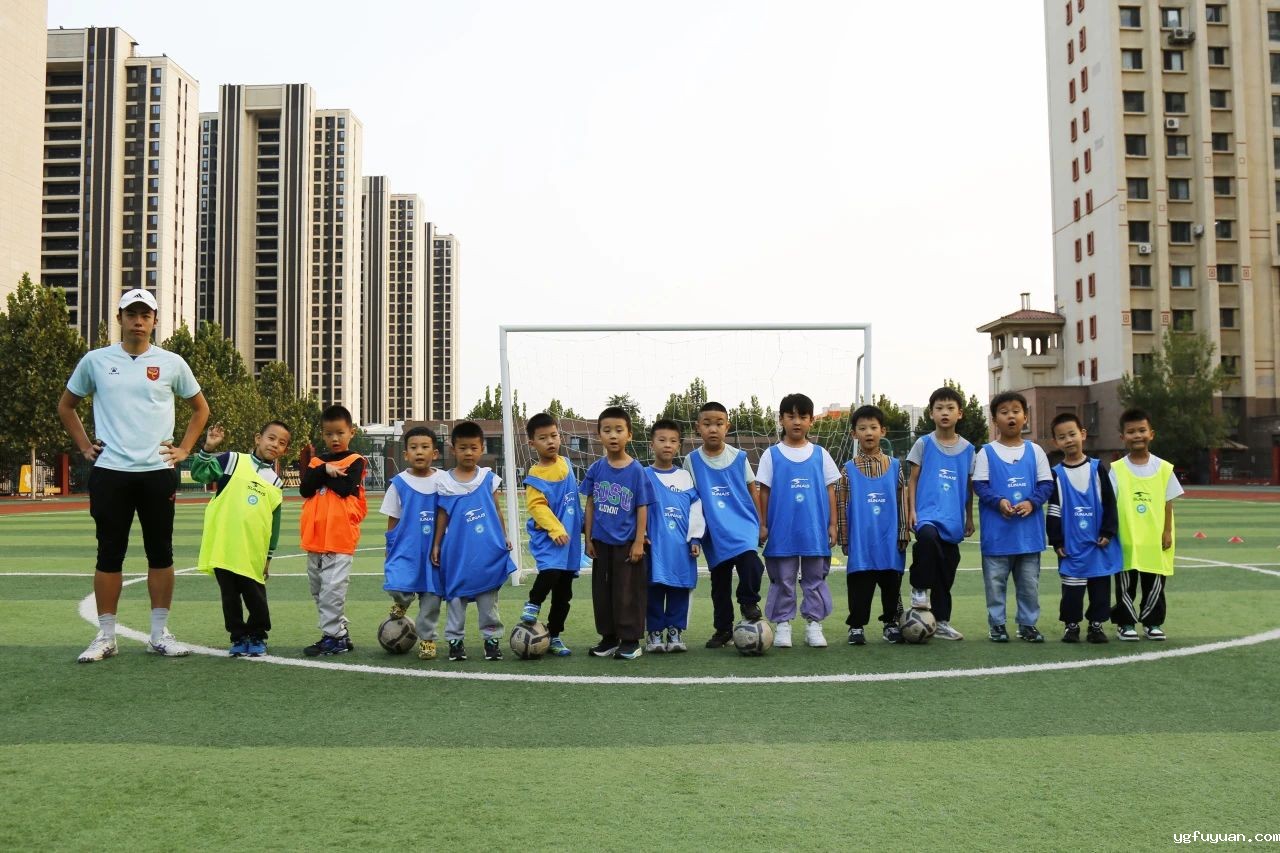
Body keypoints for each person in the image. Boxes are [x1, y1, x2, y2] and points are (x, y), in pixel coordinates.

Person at [59, 288, 210, 663]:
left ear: (155, 321)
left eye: (145, 315)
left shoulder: (172, 363)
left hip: (158, 472)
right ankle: (106, 636)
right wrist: (84, 447)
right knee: (109, 554)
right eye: (131, 314)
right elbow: (66, 406)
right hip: (110, 472)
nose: (138, 321)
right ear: (120, 319)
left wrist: (184, 449)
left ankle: (159, 634)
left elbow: (200, 408)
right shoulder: (96, 361)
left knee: (161, 553)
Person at [192, 421, 290, 656]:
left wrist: (268, 556)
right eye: (271, 438)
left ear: (284, 450)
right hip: (224, 546)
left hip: (252, 550)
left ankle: (257, 635)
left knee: (255, 596)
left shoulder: (275, 481)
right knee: (230, 596)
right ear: (258, 438)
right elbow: (199, 474)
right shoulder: (232, 460)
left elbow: (273, 523)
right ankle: (237, 636)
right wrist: (208, 448)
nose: (275, 445)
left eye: (282, 443)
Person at [755, 393, 839, 648]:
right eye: (791, 416)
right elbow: (764, 491)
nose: (797, 422)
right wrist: (763, 524)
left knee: (815, 578)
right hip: (782, 530)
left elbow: (831, 491)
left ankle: (814, 624)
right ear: (781, 420)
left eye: (803, 416)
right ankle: (783, 624)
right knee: (783, 579)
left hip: (814, 530)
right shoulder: (771, 455)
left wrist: (833, 524)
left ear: (811, 421)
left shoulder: (821, 454)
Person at [972, 391, 1054, 643]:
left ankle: (1027, 624)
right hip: (997, 536)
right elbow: (979, 485)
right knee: (995, 584)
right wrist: (998, 502)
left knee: (1029, 584)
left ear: (1025, 417)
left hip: (1028, 536)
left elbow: (1046, 484)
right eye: (1004, 412)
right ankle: (997, 625)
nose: (1011, 416)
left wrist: (1032, 502)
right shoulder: (986, 452)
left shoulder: (1036, 451)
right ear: (994, 419)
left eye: (1016, 411)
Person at [431, 421, 517, 661]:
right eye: (463, 448)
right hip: (457, 553)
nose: (468, 452)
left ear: (481, 449)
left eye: (473, 447)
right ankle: (455, 641)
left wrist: (504, 536)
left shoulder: (488, 479)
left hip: (486, 551)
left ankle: (491, 639)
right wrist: (436, 544)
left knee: (488, 598)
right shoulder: (445, 482)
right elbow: (442, 516)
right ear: (453, 449)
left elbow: (497, 511)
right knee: (455, 598)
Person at [684, 401, 764, 648]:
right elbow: (691, 498)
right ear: (698, 427)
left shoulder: (739, 457)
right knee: (719, 584)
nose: (713, 429)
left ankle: (748, 601)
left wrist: (760, 523)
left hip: (742, 524)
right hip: (714, 531)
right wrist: (695, 534)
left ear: (727, 427)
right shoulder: (691, 460)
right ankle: (723, 630)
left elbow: (753, 490)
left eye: (719, 424)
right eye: (707, 424)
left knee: (751, 563)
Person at [581, 406, 654, 660]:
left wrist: (638, 542)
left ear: (629, 435)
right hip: (601, 543)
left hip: (626, 544)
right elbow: (590, 504)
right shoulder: (596, 469)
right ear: (599, 435)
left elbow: (642, 507)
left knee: (627, 593)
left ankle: (630, 640)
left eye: (619, 430)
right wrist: (588, 538)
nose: (613, 435)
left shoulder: (637, 471)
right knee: (602, 593)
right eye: (607, 430)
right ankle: (609, 638)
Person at [905, 386, 975, 641]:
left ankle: (942, 621)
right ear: (931, 413)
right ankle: (919, 588)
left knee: (946, 570)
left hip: (953, 519)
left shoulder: (968, 449)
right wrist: (912, 510)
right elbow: (912, 480)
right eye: (939, 408)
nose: (945, 413)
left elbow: (968, 486)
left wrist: (969, 516)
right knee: (926, 538)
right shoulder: (923, 444)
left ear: (960, 414)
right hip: (926, 514)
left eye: (950, 408)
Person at [836, 404, 909, 645]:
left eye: (873, 427)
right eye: (862, 428)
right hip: (861, 542)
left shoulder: (895, 466)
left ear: (883, 431)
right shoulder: (848, 470)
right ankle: (856, 627)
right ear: (854, 434)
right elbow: (841, 504)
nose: (868, 432)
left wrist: (903, 531)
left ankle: (891, 623)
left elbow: (901, 501)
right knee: (860, 586)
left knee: (891, 584)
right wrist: (844, 538)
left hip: (890, 541)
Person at [1045, 412, 1121, 644]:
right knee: (1072, 591)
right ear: (1055, 442)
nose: (1068, 440)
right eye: (1062, 437)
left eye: (1072, 434)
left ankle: (1096, 626)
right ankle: (1072, 626)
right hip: (1072, 546)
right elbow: (1054, 510)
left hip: (1098, 544)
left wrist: (1108, 531)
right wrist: (1057, 541)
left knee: (1100, 591)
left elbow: (1109, 502)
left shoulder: (1097, 468)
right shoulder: (1056, 474)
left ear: (1083, 434)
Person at [298, 405, 367, 656]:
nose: (335, 438)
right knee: (318, 590)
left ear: (351, 432)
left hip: (339, 539)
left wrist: (321, 474)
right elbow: (305, 489)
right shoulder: (318, 462)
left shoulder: (355, 460)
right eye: (329, 434)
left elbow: (345, 487)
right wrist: (323, 470)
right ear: (322, 434)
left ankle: (333, 637)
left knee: (332, 591)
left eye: (340, 433)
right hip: (315, 539)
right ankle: (339, 633)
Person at [1109, 408, 1183, 641]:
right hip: (1127, 538)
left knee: (1155, 584)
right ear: (1122, 437)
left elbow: (1168, 503)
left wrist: (1167, 531)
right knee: (1125, 585)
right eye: (1131, 431)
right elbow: (1110, 503)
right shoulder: (1117, 469)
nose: (1137, 435)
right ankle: (1125, 623)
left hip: (1155, 539)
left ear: (1151, 434)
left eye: (1142, 430)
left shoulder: (1164, 468)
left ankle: (1153, 623)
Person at [381, 426, 445, 660]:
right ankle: (402, 602)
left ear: (434, 453)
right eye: (414, 447)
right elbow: (393, 518)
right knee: (398, 585)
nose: (419, 452)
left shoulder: (444, 481)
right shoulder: (398, 483)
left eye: (425, 447)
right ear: (406, 454)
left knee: (431, 598)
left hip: (435, 551)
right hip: (407, 550)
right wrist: (390, 547)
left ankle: (427, 639)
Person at [519, 412, 580, 657]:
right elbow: (537, 507)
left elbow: (573, 500)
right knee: (550, 572)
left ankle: (554, 635)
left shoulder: (566, 464)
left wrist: (583, 525)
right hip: (549, 538)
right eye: (543, 438)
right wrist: (555, 529)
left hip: (569, 541)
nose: (550, 441)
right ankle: (533, 602)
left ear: (560, 437)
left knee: (564, 593)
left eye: (553, 436)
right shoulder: (535, 475)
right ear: (532, 443)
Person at [644, 419, 704, 653]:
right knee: (654, 589)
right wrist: (641, 535)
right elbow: (638, 509)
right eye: (662, 440)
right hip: (654, 546)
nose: (667, 445)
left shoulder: (685, 477)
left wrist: (695, 538)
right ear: (652, 444)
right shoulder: (643, 475)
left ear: (679, 446)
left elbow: (696, 509)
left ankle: (675, 631)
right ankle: (654, 633)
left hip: (681, 547)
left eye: (673, 441)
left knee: (680, 588)